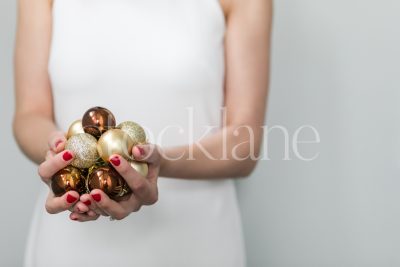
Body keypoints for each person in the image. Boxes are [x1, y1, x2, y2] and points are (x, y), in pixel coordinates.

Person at [13, 0, 272, 266]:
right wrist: (58, 152)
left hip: (195, 240)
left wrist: (156, 163)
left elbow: (244, 143)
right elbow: (30, 115)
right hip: (71, 240)